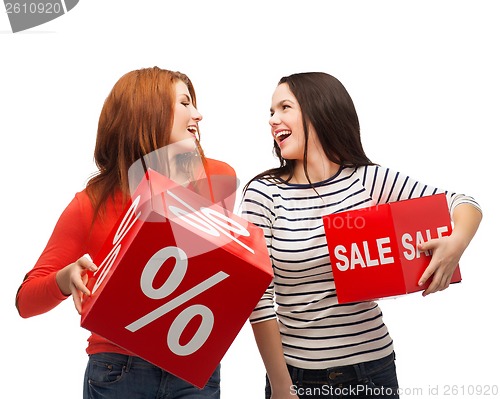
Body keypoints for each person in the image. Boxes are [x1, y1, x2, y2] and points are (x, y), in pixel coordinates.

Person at [240, 72, 482, 399]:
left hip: (372, 372)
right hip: (297, 378)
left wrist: (457, 243)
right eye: (270, 112)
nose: (273, 119)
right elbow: (257, 296)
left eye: (284, 107)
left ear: (319, 110)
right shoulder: (264, 194)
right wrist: (281, 385)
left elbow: (462, 202)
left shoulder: (366, 181)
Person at [15, 66, 236, 399]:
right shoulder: (91, 204)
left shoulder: (217, 177)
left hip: (191, 369)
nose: (198, 114)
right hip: (118, 370)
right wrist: (66, 277)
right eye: (185, 103)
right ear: (148, 112)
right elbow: (26, 301)